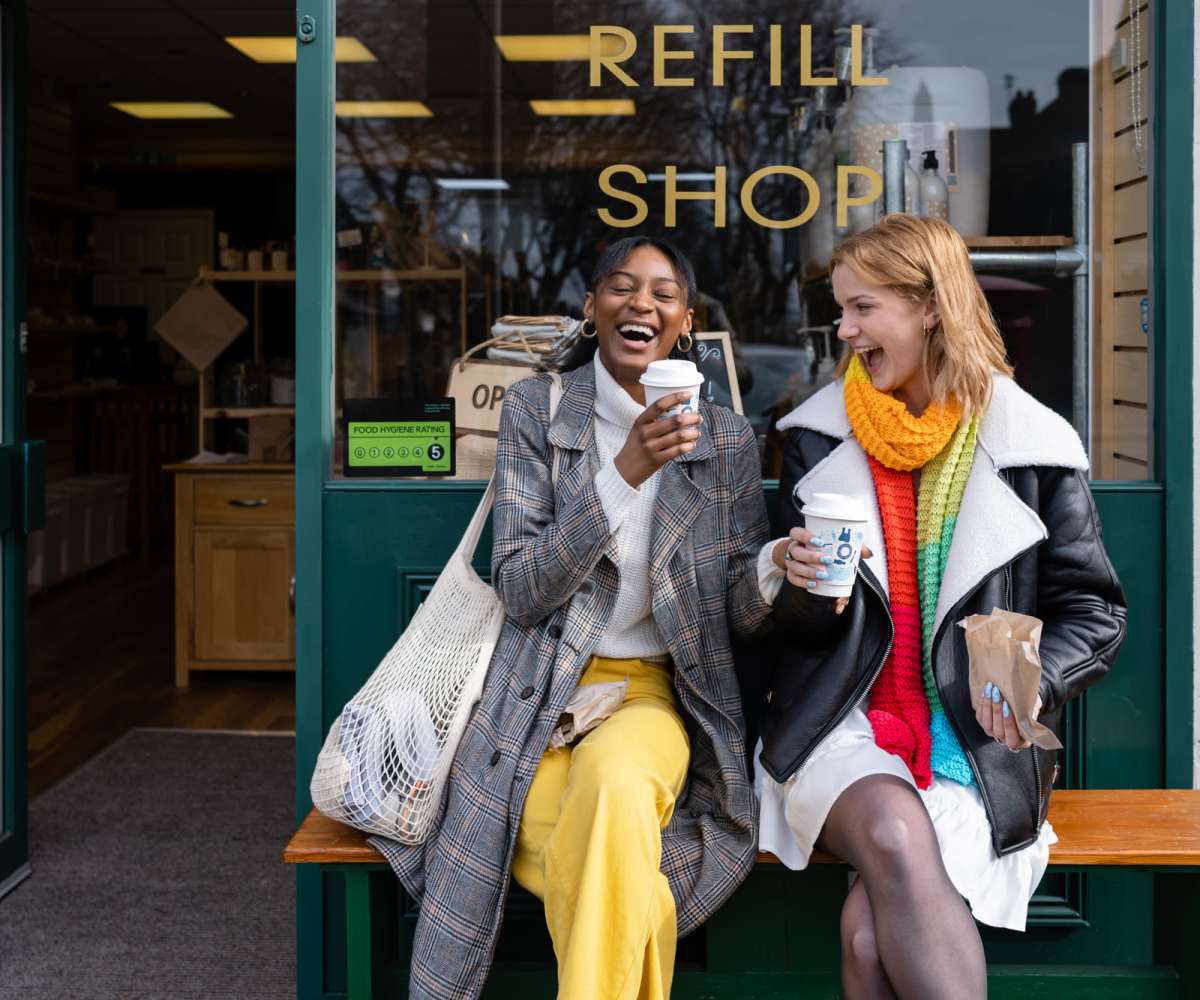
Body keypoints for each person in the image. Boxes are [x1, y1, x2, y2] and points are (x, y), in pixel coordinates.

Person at [372, 236, 776, 1000]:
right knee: (618, 856)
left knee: (619, 788)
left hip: (651, 690)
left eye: (663, 293)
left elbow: (738, 613)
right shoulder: (538, 409)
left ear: (684, 324)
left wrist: (775, 570)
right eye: (621, 287)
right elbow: (523, 588)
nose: (641, 304)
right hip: (535, 691)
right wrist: (625, 472)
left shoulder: (723, 439)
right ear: (591, 309)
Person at [755, 215, 1127, 999]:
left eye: (864, 308)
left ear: (929, 307)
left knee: (865, 936)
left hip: (974, 742)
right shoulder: (817, 440)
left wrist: (1031, 682)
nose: (845, 329)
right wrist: (792, 582)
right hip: (842, 724)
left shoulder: (1029, 445)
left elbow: (1094, 613)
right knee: (891, 829)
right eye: (841, 309)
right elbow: (788, 635)